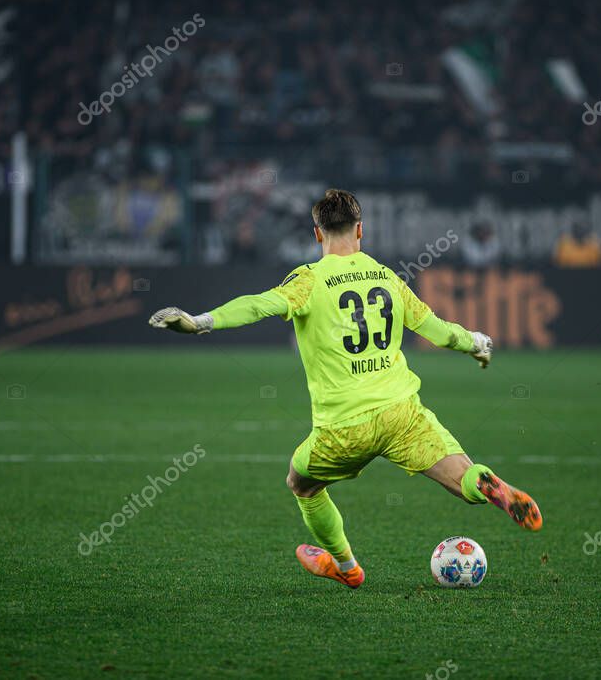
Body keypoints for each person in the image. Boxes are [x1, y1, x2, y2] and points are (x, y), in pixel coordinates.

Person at [148, 189, 542, 589]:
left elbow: (258, 305)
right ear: (360, 230)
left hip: (343, 427)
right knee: (460, 478)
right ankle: (487, 483)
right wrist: (475, 342)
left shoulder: (309, 280)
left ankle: (347, 566)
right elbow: (436, 330)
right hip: (402, 413)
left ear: (317, 234)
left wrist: (199, 321)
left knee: (301, 484)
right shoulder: (386, 277)